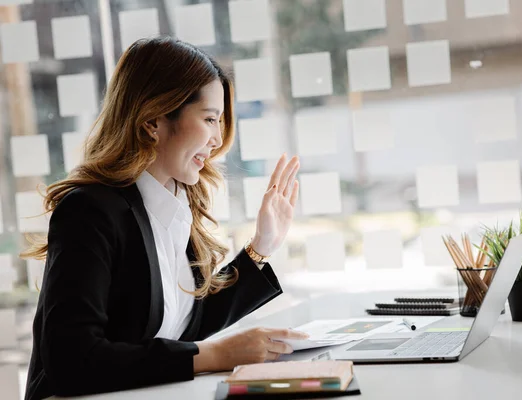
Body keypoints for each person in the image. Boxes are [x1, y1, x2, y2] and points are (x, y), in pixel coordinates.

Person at [21, 37, 308, 400]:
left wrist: (262, 246)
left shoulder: (172, 202)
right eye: (209, 119)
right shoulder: (89, 211)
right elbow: (73, 360)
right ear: (154, 120)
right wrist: (215, 355)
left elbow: (189, 320)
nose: (218, 139)